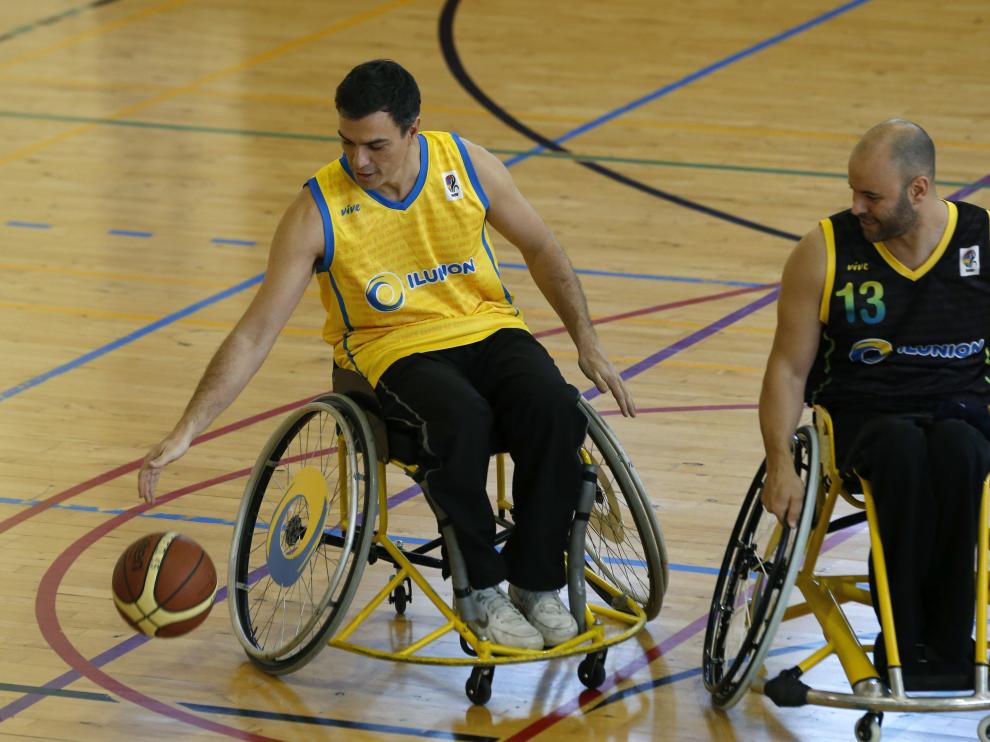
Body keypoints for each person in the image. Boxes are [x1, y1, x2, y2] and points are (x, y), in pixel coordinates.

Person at [138, 59, 635, 650]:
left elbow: (540, 246)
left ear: (413, 129)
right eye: (347, 143)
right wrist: (189, 427)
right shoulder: (316, 209)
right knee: (463, 418)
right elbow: (254, 333)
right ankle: (478, 588)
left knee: (555, 405)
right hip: (391, 351)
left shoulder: (468, 166)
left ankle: (536, 582)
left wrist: (587, 340)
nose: (359, 161)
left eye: (375, 145)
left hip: (487, 329)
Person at [759, 119, 990, 689]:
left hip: (960, 407)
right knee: (901, 448)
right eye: (853, 191)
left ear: (919, 189)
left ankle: (950, 642)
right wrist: (781, 464)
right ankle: (902, 638)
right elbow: (787, 369)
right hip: (865, 417)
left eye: (871, 195)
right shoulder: (824, 249)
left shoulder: (981, 242)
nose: (857, 206)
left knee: (962, 448)